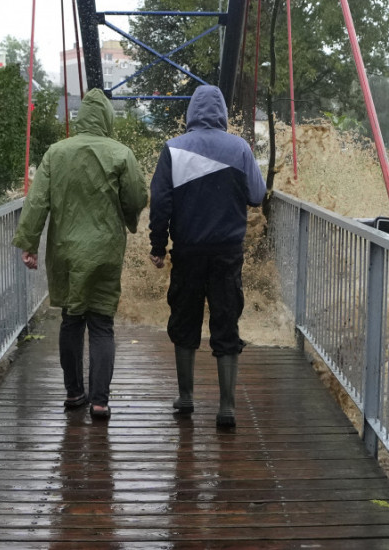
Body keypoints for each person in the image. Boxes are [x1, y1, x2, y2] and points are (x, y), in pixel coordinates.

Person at [13, 88, 148, 419]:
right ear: (106, 118)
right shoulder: (121, 153)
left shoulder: (55, 153)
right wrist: (125, 216)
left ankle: (75, 393)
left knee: (72, 319)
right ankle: (100, 400)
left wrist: (29, 243)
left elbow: (37, 201)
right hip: (105, 250)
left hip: (66, 252)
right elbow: (136, 198)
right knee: (101, 323)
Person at [148, 84, 266, 428]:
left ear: (191, 113)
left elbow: (161, 205)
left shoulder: (173, 149)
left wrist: (158, 247)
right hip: (227, 252)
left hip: (187, 251)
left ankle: (186, 398)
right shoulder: (240, 148)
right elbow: (257, 195)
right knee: (226, 321)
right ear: (223, 114)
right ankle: (226, 406)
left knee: (184, 321)